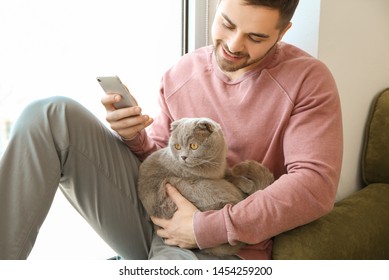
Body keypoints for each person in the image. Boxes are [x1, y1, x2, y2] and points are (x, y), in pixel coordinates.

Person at [0, 0, 343, 260]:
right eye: (227, 24)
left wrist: (204, 228)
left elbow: (315, 186)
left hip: (223, 246)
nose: (235, 45)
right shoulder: (182, 72)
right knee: (49, 114)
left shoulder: (308, 80)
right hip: (154, 215)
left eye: (255, 37)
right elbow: (160, 158)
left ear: (283, 32)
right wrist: (134, 137)